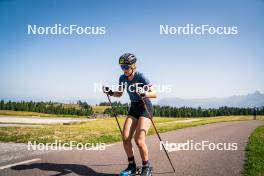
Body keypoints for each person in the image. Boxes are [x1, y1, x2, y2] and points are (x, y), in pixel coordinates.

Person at [103, 53, 156, 176]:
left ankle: (146, 167)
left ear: (133, 66)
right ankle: (132, 166)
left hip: (144, 107)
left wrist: (144, 93)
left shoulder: (141, 77)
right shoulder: (122, 78)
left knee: (139, 140)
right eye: (122, 67)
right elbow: (119, 93)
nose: (124, 70)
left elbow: (154, 93)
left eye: (126, 67)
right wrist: (110, 92)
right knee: (125, 137)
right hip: (133, 108)